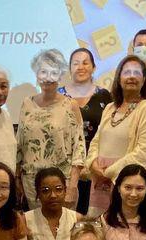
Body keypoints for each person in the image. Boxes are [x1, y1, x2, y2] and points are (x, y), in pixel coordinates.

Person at [87, 55, 146, 216]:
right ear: (118, 79)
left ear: (144, 80)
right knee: (102, 228)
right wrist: (93, 164)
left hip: (132, 184)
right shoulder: (110, 108)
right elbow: (96, 141)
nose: (131, 76)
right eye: (127, 72)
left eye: (137, 73)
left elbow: (145, 151)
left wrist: (108, 172)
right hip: (102, 183)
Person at [16, 49, 85, 210]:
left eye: (53, 72)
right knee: (36, 225)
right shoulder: (26, 103)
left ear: (60, 76)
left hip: (61, 183)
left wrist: (73, 186)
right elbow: (20, 144)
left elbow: (79, 148)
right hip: (32, 184)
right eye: (43, 72)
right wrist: (17, 178)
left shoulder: (70, 105)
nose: (48, 78)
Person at [59, 48, 112, 214]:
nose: (80, 67)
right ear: (69, 69)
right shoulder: (58, 96)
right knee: (67, 214)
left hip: (96, 164)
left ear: (94, 68)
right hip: (65, 165)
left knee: (94, 213)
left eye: (85, 63)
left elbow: (110, 130)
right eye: (75, 63)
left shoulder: (104, 96)